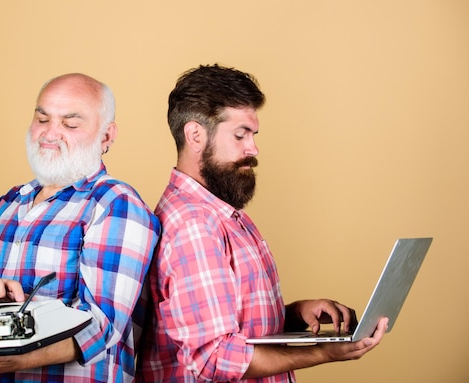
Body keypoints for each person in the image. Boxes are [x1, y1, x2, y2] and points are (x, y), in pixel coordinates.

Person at [137, 64, 388, 383]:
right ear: (195, 135)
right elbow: (215, 357)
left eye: (253, 135)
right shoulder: (193, 225)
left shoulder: (223, 213)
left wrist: (294, 314)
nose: (253, 149)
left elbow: (227, 322)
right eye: (240, 135)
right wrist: (323, 352)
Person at [0, 73, 161, 383]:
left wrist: (12, 355)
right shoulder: (10, 203)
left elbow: (100, 325)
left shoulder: (115, 204)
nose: (50, 134)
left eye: (70, 124)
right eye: (42, 119)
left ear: (106, 137)